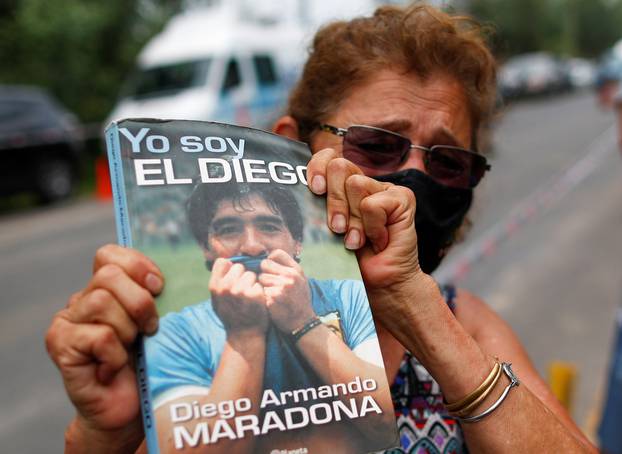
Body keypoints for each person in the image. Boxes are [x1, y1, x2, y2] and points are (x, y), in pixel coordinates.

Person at [46, 4, 597, 453]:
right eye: (378, 145)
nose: (409, 187)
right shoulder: (179, 337)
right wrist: (99, 439)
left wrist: (415, 308)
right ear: (292, 148)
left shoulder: (463, 325)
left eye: (449, 163)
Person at [148, 180, 394, 452]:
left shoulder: (350, 298)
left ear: (297, 242)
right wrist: (245, 335)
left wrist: (304, 322)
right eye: (229, 229)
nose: (252, 247)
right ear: (206, 247)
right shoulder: (176, 333)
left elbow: (384, 425)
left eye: (269, 226)